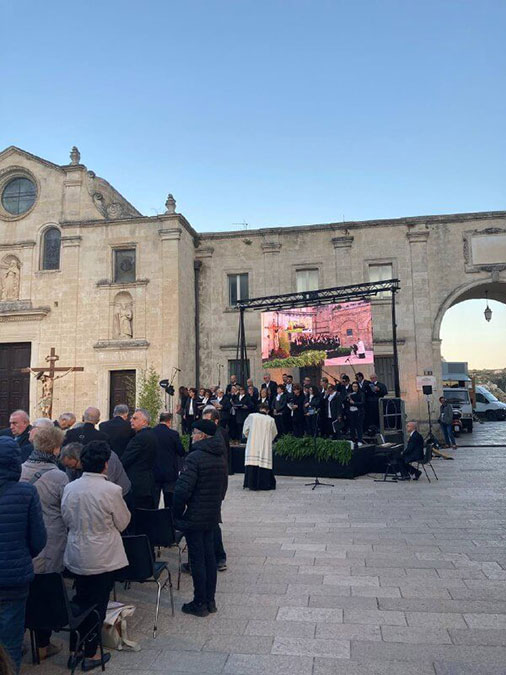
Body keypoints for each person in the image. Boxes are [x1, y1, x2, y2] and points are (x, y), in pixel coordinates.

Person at [62, 442, 130, 671]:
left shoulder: (71, 487)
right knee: (98, 603)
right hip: (102, 555)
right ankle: (91, 653)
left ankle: (75, 649)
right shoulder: (111, 490)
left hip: (77, 550)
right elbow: (122, 521)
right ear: (105, 464)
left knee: (80, 599)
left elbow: (66, 518)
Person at [20, 425, 68, 661]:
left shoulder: (20, 470)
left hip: (24, 540)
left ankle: (19, 638)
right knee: (45, 591)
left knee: (24, 592)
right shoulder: (59, 476)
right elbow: (66, 510)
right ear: (56, 449)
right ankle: (42, 643)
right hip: (50, 541)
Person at [0, 436, 46, 674]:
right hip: (13, 579)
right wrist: (20, 555)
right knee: (10, 642)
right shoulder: (26, 492)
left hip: (13, 576)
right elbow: (38, 540)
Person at [173, 420, 227, 617]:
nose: (192, 436)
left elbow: (182, 490)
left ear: (202, 436)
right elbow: (222, 487)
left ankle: (200, 602)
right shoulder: (219, 456)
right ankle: (210, 600)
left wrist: (177, 513)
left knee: (198, 560)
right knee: (209, 558)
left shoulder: (195, 458)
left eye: (194, 432)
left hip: (195, 515)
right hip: (212, 513)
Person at [201, 407, 228, 571]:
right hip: (208, 485)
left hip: (213, 485)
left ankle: (219, 557)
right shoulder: (209, 435)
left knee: (213, 521)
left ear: (216, 421)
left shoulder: (218, 437)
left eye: (208, 421)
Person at [60, 442, 132, 499]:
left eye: (74, 466)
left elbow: (107, 485)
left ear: (81, 458)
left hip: (121, 494)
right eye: (68, 467)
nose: (72, 470)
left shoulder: (105, 458)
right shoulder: (71, 465)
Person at [121, 409, 158, 509]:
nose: (131, 420)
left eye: (135, 418)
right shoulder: (152, 435)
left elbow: (125, 460)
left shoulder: (139, 438)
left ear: (144, 422)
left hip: (138, 484)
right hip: (149, 482)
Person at [152, 412, 185, 507]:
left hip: (155, 471)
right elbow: (181, 451)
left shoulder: (152, 432)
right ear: (169, 421)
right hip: (169, 472)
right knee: (169, 502)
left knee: (154, 501)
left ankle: (154, 520)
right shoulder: (173, 434)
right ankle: (168, 520)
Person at [243, 402, 277, 491]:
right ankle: (264, 484)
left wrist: (250, 437)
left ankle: (250, 484)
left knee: (252, 462)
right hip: (264, 446)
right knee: (264, 463)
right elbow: (274, 433)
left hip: (253, 445)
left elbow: (245, 430)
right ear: (268, 410)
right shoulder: (270, 420)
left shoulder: (252, 416)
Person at [346, 382, 366, 446]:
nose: (354, 388)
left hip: (358, 412)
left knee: (359, 427)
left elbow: (362, 402)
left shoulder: (361, 394)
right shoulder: (350, 393)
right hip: (351, 411)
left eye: (356, 386)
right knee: (352, 427)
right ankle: (353, 440)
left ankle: (360, 440)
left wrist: (354, 403)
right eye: (353, 386)